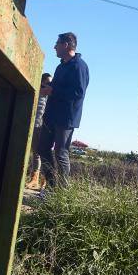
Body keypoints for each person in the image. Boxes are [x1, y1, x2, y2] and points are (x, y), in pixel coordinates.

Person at [37, 33, 90, 189]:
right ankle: (52, 186)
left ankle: (62, 192)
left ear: (66, 44)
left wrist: (53, 91)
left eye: (57, 43)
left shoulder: (79, 66)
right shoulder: (60, 66)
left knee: (61, 152)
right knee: (42, 148)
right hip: (51, 115)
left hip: (65, 118)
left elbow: (78, 93)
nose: (54, 47)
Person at [27, 73, 52, 188]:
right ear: (41, 81)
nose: (49, 85)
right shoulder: (36, 90)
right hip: (32, 124)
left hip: (41, 126)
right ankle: (34, 179)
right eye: (47, 82)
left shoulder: (49, 94)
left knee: (39, 153)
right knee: (34, 153)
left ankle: (44, 181)